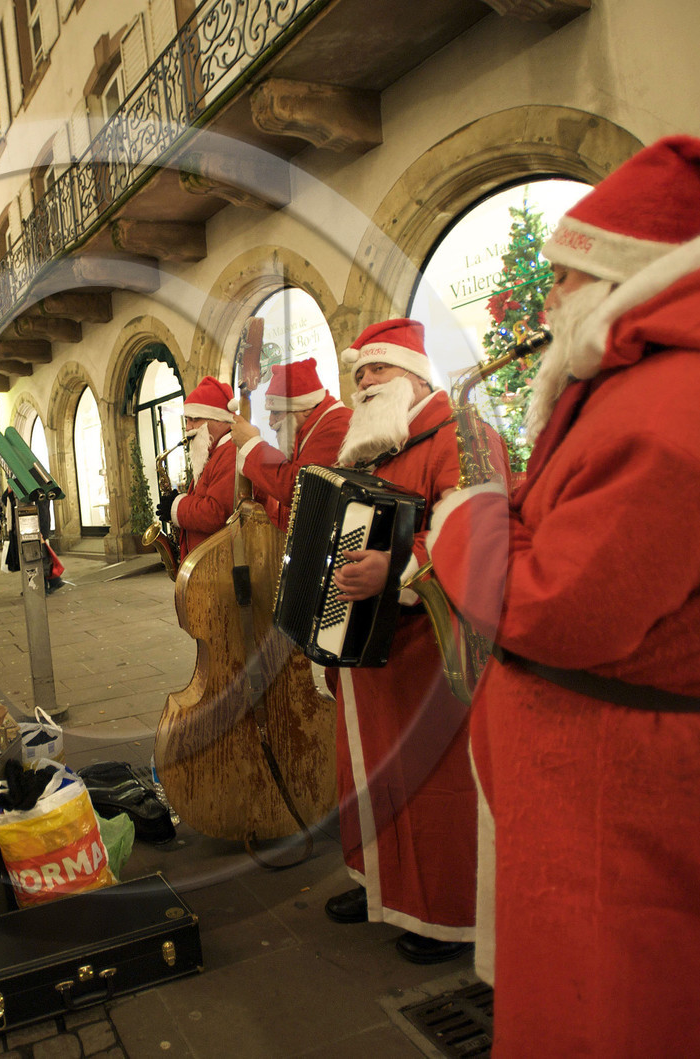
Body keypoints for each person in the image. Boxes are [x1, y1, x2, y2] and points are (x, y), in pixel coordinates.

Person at [419, 137, 700, 1056]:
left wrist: (468, 518)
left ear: (631, 276)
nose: (548, 300)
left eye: (564, 275)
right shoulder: (692, 379)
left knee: (611, 1019)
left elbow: (555, 607)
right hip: (653, 778)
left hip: (620, 803)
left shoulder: (681, 412)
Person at [322, 319, 504, 966]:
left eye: (376, 369)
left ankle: (444, 912)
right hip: (367, 650)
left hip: (430, 647)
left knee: (433, 786)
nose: (364, 381)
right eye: (359, 373)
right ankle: (380, 885)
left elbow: (479, 525)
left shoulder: (463, 433)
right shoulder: (374, 446)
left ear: (414, 373)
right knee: (371, 774)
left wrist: (395, 570)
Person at [228, 358, 352, 531]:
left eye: (277, 413)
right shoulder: (304, 431)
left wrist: (252, 444)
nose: (271, 422)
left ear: (306, 408)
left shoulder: (337, 426)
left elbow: (297, 489)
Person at [154, 376, 238, 563]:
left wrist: (177, 506)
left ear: (218, 419)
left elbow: (217, 513)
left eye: (195, 420)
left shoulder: (230, 452)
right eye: (187, 420)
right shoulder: (214, 452)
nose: (189, 428)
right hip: (209, 560)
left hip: (220, 563)